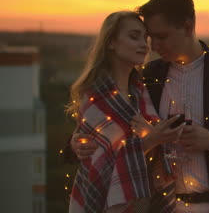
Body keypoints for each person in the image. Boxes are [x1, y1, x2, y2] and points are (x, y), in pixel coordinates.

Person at [70, 0, 209, 213]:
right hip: (162, 207)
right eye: (150, 37)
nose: (153, 46)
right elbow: (107, 126)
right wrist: (75, 144)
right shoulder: (146, 78)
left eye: (161, 37)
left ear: (188, 27)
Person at [65, 11, 184, 213]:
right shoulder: (96, 95)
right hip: (106, 204)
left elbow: (149, 142)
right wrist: (151, 140)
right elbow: (101, 163)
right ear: (111, 42)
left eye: (145, 38)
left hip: (143, 203)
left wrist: (152, 135)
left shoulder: (140, 92)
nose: (144, 45)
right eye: (134, 36)